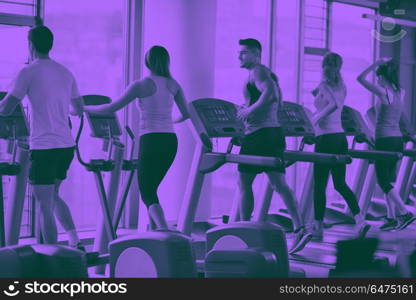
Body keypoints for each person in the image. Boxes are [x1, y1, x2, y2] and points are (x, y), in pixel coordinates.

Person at [84, 45, 189, 230]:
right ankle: (157, 231)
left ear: (147, 61)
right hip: (170, 140)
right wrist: (170, 120)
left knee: (147, 192)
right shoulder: (174, 84)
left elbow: (111, 108)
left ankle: (164, 230)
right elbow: (186, 113)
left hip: (151, 140)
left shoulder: (141, 84)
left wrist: (85, 109)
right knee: (152, 189)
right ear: (166, 61)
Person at [0, 25, 85, 250]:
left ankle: (53, 257)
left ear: (31, 45)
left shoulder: (28, 72)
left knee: (44, 204)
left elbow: (7, 108)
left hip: (45, 147)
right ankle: (75, 241)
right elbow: (78, 109)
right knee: (53, 196)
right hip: (66, 145)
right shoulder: (66, 72)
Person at [236, 38, 311, 254]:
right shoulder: (267, 74)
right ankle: (299, 226)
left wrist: (249, 112)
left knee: (243, 182)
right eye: (239, 52)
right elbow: (274, 98)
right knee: (279, 183)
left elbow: (270, 95)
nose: (239, 56)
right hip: (274, 133)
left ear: (256, 54)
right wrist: (247, 107)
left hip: (258, 136)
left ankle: (244, 228)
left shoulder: (258, 71)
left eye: (244, 53)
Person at [310, 52, 368, 240]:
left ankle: (317, 226)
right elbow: (335, 103)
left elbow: (333, 105)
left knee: (319, 185)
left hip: (325, 139)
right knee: (340, 184)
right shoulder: (342, 86)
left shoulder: (325, 85)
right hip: (339, 138)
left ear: (324, 66)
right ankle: (360, 220)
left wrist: (315, 118)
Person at [357, 58, 415, 231]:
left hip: (385, 140)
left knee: (383, 182)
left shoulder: (384, 92)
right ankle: (391, 217)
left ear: (382, 77)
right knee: (388, 180)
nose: (377, 80)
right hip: (396, 140)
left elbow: (359, 79)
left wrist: (375, 63)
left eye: (378, 77)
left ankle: (404, 213)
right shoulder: (400, 91)